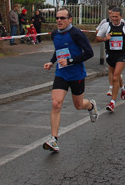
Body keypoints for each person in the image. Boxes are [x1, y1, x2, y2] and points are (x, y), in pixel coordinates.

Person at [42, 9, 98, 153]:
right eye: (57, 18)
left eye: (62, 18)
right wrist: (51, 62)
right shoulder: (55, 34)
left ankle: (91, 105)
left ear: (70, 19)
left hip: (76, 74)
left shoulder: (77, 34)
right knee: (56, 103)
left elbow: (89, 53)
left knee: (79, 105)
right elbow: (59, 50)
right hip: (61, 73)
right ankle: (54, 139)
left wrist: (71, 60)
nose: (59, 20)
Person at [96, 7, 125, 112]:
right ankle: (123, 88)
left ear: (121, 17)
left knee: (115, 77)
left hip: (121, 54)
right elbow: (97, 38)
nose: (114, 18)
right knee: (115, 75)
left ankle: (112, 103)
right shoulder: (106, 26)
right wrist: (105, 38)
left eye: (116, 17)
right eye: (112, 16)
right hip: (110, 54)